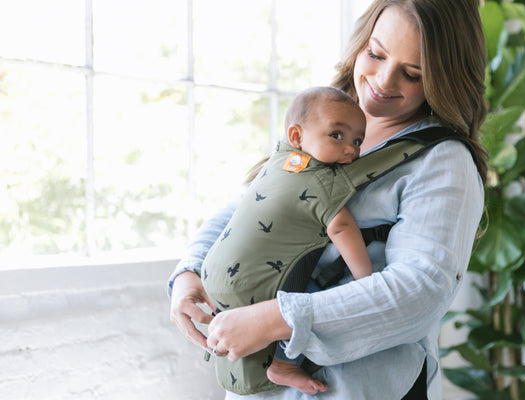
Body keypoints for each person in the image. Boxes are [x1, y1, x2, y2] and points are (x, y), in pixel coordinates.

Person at [168, 0, 488, 399]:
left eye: (412, 74)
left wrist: (274, 320)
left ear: (446, 78)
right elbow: (250, 207)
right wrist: (189, 274)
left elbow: (419, 291)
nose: (384, 81)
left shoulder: (443, 162)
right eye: (375, 53)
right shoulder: (327, 118)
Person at [200, 86, 373, 395]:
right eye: (337, 136)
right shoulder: (322, 179)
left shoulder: (280, 160)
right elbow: (342, 227)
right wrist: (366, 280)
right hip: (251, 283)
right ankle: (280, 361)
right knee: (299, 302)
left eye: (358, 140)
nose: (351, 149)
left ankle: (258, 359)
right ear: (296, 136)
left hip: (212, 274)